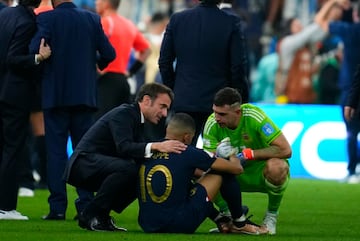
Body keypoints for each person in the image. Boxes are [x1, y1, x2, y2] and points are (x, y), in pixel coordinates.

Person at [29, 0, 116, 220]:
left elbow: (33, 50)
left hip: (55, 96)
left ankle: (57, 208)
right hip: (84, 96)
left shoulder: (46, 18)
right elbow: (109, 54)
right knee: (83, 153)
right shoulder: (91, 19)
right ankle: (86, 203)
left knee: (56, 153)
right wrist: (92, 61)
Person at [64, 83, 188, 232]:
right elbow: (124, 147)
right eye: (162, 106)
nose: (164, 113)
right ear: (147, 100)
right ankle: (90, 214)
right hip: (83, 164)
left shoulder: (136, 118)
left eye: (167, 108)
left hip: (96, 164)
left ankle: (102, 217)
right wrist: (156, 146)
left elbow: (136, 152)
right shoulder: (123, 114)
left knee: (141, 171)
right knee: (129, 169)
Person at [137, 112, 266, 234]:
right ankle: (240, 223)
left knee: (187, 181)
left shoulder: (150, 149)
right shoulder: (188, 151)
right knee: (222, 171)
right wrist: (230, 153)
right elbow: (236, 168)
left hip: (147, 224)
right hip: (179, 224)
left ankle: (221, 219)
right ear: (187, 137)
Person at [202, 87, 292, 235]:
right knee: (197, 171)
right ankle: (228, 217)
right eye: (215, 112)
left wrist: (249, 154)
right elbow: (207, 161)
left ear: (238, 112)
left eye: (222, 114)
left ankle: (271, 216)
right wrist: (218, 155)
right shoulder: (212, 123)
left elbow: (285, 150)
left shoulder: (254, 116)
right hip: (231, 175)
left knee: (277, 167)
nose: (216, 117)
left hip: (259, 172)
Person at [159, 0, 249, 146]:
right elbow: (238, 67)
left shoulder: (178, 19)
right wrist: (238, 98)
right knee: (223, 157)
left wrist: (174, 91)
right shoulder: (231, 22)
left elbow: (164, 62)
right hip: (220, 106)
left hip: (184, 101)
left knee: (180, 155)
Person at [0, 0, 51, 220]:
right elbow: (14, 58)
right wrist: (39, 58)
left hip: (3, 89)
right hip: (16, 94)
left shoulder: (6, 15)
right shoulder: (28, 21)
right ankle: (6, 207)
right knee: (13, 149)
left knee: (5, 149)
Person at [316, 0, 360, 183]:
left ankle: (352, 171)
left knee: (351, 131)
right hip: (352, 85)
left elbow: (320, 20)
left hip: (351, 87)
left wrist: (333, 2)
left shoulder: (348, 31)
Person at [94, 0, 151, 120]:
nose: (96, 2)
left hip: (105, 81)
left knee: (99, 124)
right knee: (119, 123)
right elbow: (146, 50)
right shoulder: (129, 24)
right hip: (123, 82)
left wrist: (95, 69)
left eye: (99, 0)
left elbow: (91, 47)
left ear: (107, 3)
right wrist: (131, 72)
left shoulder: (104, 22)